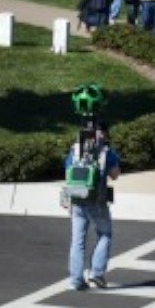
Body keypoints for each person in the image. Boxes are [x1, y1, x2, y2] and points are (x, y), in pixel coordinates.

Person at [62, 124, 122, 291]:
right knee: (105, 233)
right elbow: (115, 175)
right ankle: (97, 273)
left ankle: (76, 279)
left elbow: (67, 171)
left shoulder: (75, 150)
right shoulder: (105, 152)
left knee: (77, 241)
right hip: (97, 201)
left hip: (77, 198)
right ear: (102, 134)